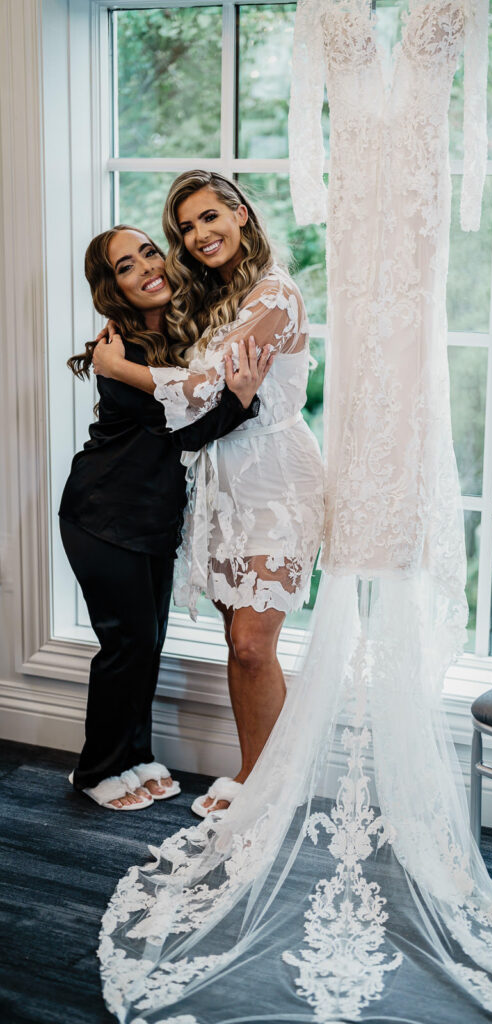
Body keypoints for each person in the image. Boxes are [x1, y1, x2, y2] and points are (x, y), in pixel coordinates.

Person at [92, 174, 325, 815]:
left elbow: (200, 385)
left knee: (254, 643)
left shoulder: (274, 293)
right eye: (186, 229)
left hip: (275, 479)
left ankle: (269, 789)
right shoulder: (216, 294)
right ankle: (255, 778)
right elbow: (207, 398)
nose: (199, 236)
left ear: (241, 214)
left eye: (209, 217)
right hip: (221, 482)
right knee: (239, 648)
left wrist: (119, 370)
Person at [60, 225, 272, 811]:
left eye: (149, 252)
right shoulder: (118, 354)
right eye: (126, 266)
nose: (146, 268)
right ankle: (96, 770)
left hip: (149, 520)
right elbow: (192, 428)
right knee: (124, 646)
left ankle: (134, 757)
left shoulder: (180, 340)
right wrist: (240, 398)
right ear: (113, 288)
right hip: (101, 517)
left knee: (146, 642)